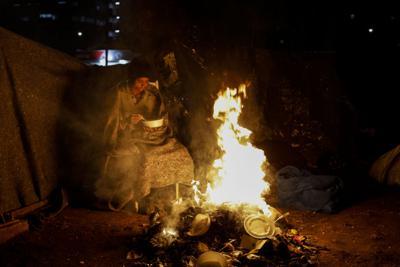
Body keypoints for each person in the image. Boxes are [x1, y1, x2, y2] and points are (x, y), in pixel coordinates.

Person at [94, 61, 174, 212]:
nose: (142, 85)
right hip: (125, 135)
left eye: (145, 82)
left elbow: (161, 119)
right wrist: (127, 121)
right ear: (130, 79)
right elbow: (110, 121)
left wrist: (147, 122)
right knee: (135, 155)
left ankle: (151, 199)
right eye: (139, 81)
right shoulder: (119, 93)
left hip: (148, 135)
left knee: (168, 150)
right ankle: (128, 197)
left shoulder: (153, 94)